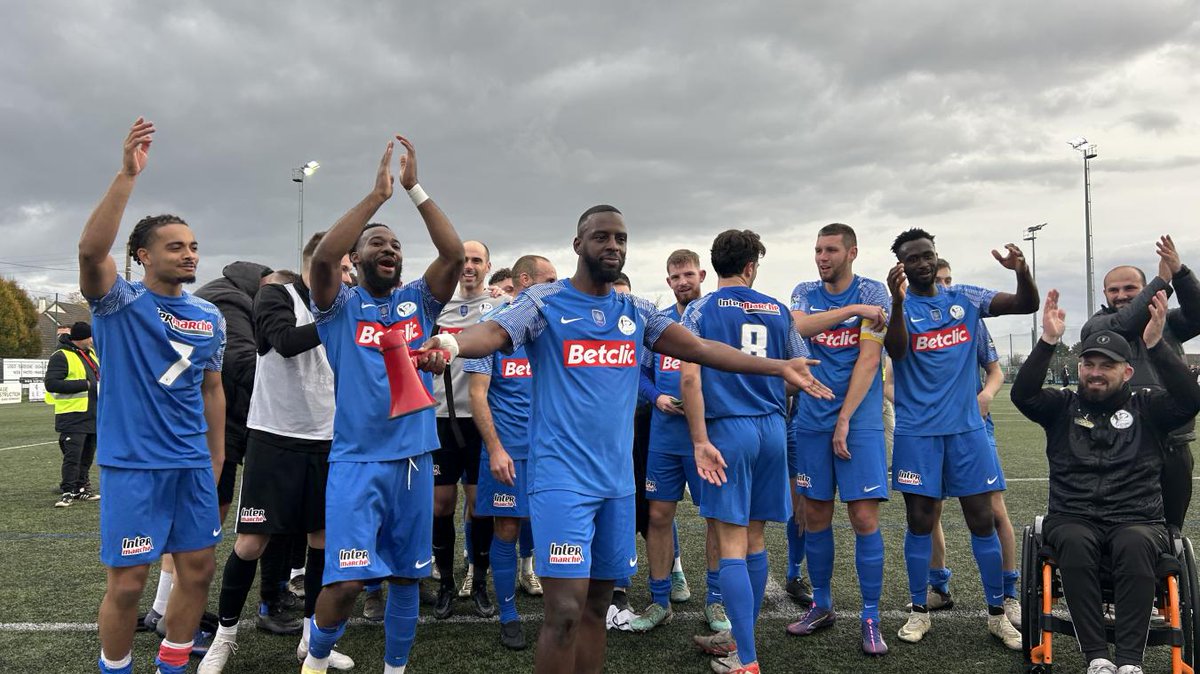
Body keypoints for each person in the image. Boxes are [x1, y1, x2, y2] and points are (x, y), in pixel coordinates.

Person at [416, 206, 830, 674]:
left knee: (597, 608)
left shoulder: (636, 310)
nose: (613, 245)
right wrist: (450, 344)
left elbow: (700, 349)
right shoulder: (545, 302)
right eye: (602, 237)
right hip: (561, 482)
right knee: (564, 612)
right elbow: (493, 331)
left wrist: (779, 366)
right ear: (579, 244)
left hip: (616, 485)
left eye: (621, 238)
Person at [302, 136, 462, 674]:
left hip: (414, 458)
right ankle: (315, 661)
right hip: (357, 460)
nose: (389, 249)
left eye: (395, 244)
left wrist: (415, 189)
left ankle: (395, 669)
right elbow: (325, 256)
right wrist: (377, 197)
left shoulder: (418, 302)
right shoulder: (338, 306)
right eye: (376, 243)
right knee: (346, 582)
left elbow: (453, 255)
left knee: (407, 576)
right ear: (357, 258)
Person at [81, 118, 227, 674]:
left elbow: (212, 388)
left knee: (198, 571)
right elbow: (91, 251)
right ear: (142, 255)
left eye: (193, 246)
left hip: (191, 463)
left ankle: (172, 665)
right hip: (134, 465)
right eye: (175, 246)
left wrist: (216, 456)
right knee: (128, 583)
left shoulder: (210, 315)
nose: (189, 255)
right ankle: (115, 667)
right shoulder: (118, 303)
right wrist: (127, 176)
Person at [1012, 290, 1200, 674]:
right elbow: (1023, 394)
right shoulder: (1062, 407)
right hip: (1072, 515)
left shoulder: (1148, 406)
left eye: (1107, 365)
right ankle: (1097, 658)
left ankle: (1130, 662)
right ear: (1080, 367)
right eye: (1089, 364)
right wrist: (1047, 341)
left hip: (1137, 518)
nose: (1095, 372)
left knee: (1134, 542)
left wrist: (1156, 346)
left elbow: (1189, 401)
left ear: (1126, 372)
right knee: (1075, 541)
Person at [199, 233, 356, 673]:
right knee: (251, 542)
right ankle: (225, 638)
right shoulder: (277, 294)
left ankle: (311, 638)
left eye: (351, 269)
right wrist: (339, 320)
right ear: (319, 262)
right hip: (274, 437)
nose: (349, 277)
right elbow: (283, 341)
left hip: (328, 439)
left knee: (321, 540)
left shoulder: (348, 305)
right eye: (343, 267)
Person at [884, 228, 1036, 650]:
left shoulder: (965, 298)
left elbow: (1026, 304)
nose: (922, 262)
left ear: (935, 255)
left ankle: (997, 615)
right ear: (901, 265)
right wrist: (896, 303)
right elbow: (896, 351)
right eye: (912, 258)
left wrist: (1021, 271)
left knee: (982, 520)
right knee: (920, 521)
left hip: (967, 432)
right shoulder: (898, 306)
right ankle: (919, 611)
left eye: (927, 254)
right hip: (918, 434)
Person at [677, 229, 813, 674]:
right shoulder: (778, 310)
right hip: (772, 428)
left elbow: (690, 377)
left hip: (727, 430)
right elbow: (797, 373)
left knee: (730, 543)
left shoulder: (700, 309)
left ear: (714, 264)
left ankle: (746, 660)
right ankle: (740, 638)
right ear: (751, 266)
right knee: (754, 539)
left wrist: (700, 439)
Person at [786, 223, 890, 655]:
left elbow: (869, 360)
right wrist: (854, 311)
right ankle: (822, 605)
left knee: (864, 519)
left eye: (830, 250)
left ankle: (871, 617)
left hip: (858, 421)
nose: (822, 257)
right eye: (817, 250)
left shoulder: (875, 291)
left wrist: (845, 418)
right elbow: (799, 327)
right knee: (815, 516)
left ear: (852, 252)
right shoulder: (805, 291)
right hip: (811, 419)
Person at [917, 259, 1021, 627]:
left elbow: (995, 371)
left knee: (992, 510)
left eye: (949, 279)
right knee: (930, 510)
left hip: (973, 427)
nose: (945, 286)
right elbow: (892, 380)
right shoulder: (911, 320)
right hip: (930, 431)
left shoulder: (968, 318)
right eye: (939, 280)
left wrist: (986, 396)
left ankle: (1008, 594)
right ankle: (938, 586)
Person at [463, 254, 558, 650]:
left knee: (555, 530)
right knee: (506, 529)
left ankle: (559, 612)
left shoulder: (555, 327)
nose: (557, 287)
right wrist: (495, 449)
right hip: (509, 452)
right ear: (525, 281)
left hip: (553, 451)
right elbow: (477, 395)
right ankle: (508, 615)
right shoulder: (492, 329)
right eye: (549, 281)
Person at [631, 249, 728, 634]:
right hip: (664, 439)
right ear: (668, 281)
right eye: (675, 277)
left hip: (706, 438)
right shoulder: (658, 325)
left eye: (688, 274)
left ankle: (715, 599)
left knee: (715, 517)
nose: (682, 282)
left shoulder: (715, 318)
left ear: (701, 274)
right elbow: (640, 375)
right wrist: (656, 397)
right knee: (657, 516)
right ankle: (660, 600)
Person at [1080, 235, 1200, 532]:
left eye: (1130, 288)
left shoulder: (1167, 322)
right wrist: (1162, 281)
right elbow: (1125, 324)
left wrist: (1180, 273)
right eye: (1114, 289)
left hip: (1171, 440)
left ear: (1143, 289)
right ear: (1105, 293)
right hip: (1116, 441)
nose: (1121, 295)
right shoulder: (1097, 326)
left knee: (1171, 527)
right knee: (1116, 525)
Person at [431, 239, 497, 619]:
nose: (469, 266)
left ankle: (480, 581)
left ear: (488, 266)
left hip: (481, 421)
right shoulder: (438, 306)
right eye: (464, 260)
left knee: (480, 505)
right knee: (441, 504)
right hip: (441, 418)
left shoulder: (500, 307)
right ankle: (445, 583)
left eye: (476, 260)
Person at [44, 320, 101, 507]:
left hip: (92, 414)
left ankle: (81, 488)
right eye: (90, 337)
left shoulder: (91, 354)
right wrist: (85, 384)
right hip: (72, 415)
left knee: (87, 456)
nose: (92, 341)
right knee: (73, 456)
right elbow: (51, 383)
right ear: (81, 338)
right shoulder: (60, 355)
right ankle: (67, 490)